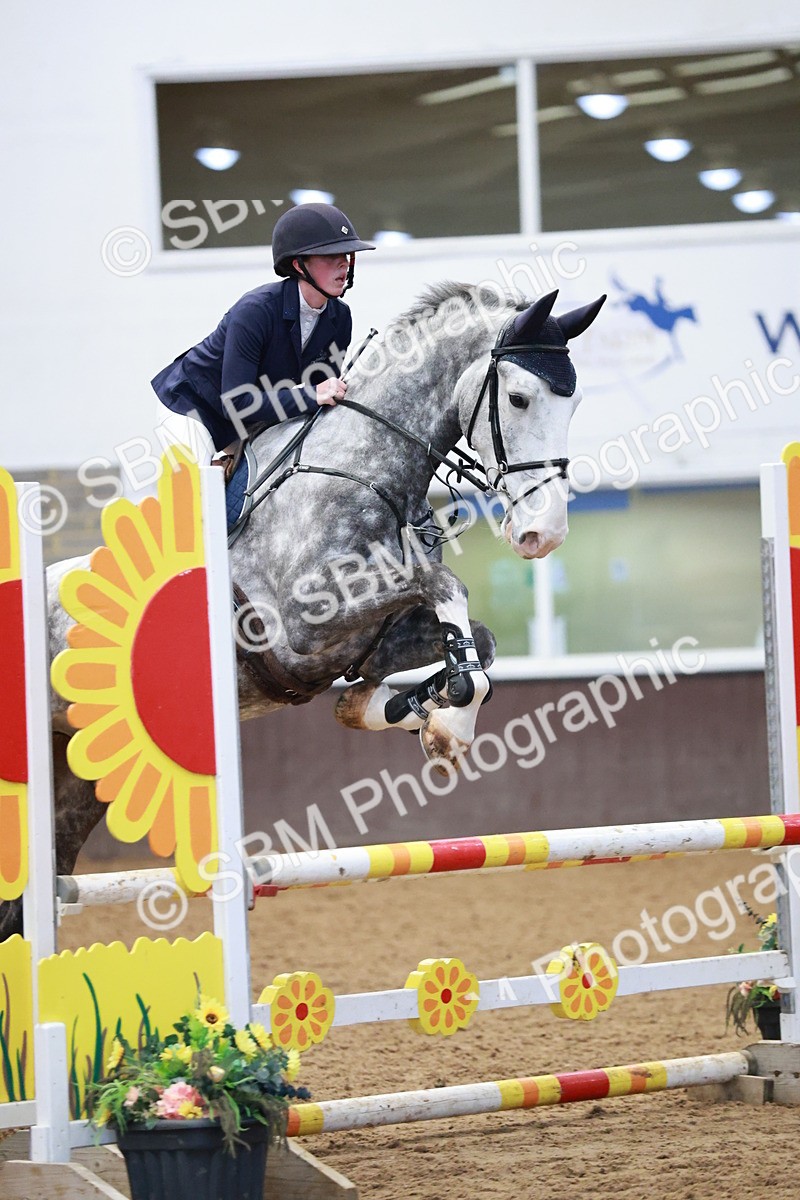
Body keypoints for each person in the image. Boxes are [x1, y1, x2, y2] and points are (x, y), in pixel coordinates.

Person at [151, 202, 375, 456]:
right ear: (299, 265)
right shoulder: (255, 310)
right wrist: (313, 395)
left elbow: (322, 396)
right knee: (203, 487)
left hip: (247, 421)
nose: (344, 264)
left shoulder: (339, 317)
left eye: (346, 255)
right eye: (330, 256)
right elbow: (237, 402)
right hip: (192, 409)